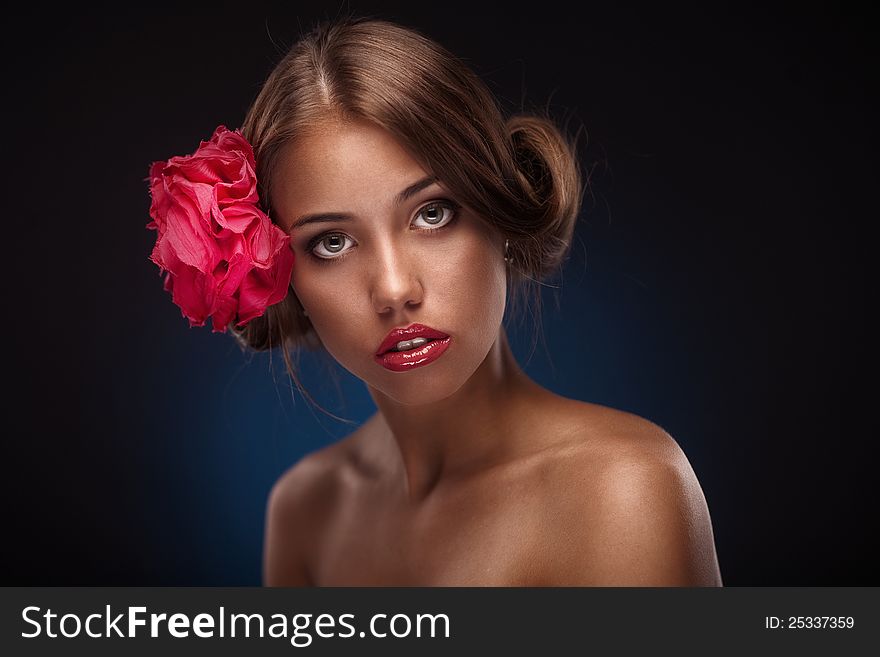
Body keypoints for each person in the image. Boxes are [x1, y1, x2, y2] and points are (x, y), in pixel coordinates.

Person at [148, 16, 723, 586]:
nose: (394, 289)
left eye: (432, 213)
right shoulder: (306, 512)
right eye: (332, 242)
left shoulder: (622, 488)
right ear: (279, 273)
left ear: (498, 203)